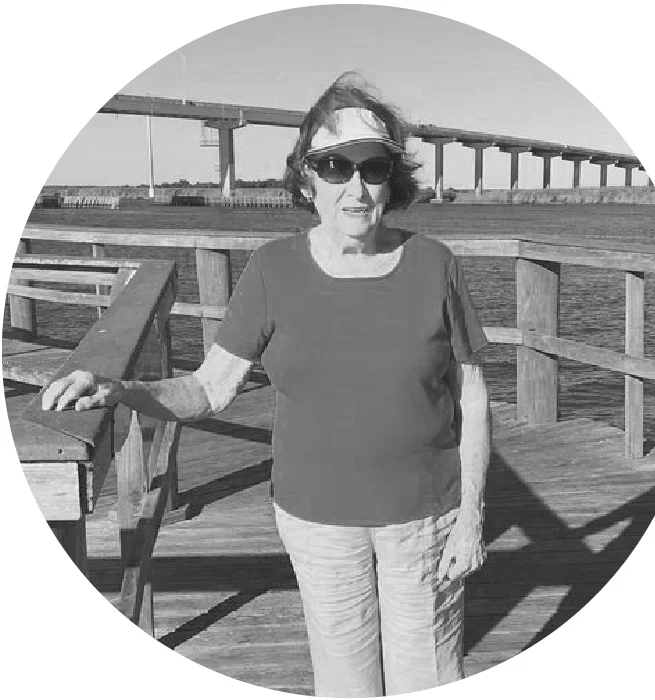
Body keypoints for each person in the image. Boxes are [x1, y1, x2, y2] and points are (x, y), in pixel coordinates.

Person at [41, 73, 491, 697]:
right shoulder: (273, 269)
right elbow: (207, 390)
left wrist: (472, 516)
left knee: (431, 678)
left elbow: (473, 394)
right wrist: (118, 389)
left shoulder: (434, 264)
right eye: (334, 166)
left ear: (393, 178)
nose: (355, 186)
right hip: (317, 522)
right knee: (345, 681)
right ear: (306, 178)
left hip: (426, 518)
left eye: (373, 166)